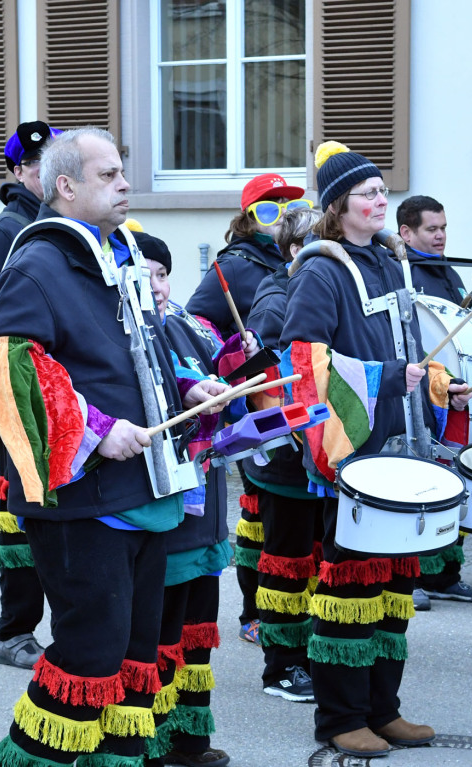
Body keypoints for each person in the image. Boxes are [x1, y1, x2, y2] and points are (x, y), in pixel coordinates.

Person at [0, 127, 228, 767]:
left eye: (123, 172)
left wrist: (187, 386)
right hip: (80, 498)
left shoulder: (117, 259)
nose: (125, 185)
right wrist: (92, 428)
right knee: (89, 653)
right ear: (66, 186)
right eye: (109, 174)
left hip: (141, 487)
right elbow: (12, 370)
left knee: (134, 655)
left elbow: (137, 359)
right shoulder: (37, 264)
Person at [278, 142, 471, 757]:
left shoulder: (392, 263)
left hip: (403, 447)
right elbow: (302, 362)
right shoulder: (321, 269)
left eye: (383, 190)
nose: (380, 199)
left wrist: (438, 382)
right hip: (355, 455)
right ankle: (340, 718)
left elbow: (411, 354)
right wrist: (386, 379)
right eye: (367, 193)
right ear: (338, 206)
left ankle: (383, 710)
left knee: (391, 587)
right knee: (348, 587)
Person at [134, 228, 249, 767]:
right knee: (161, 633)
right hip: (167, 511)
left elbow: (221, 387)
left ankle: (189, 739)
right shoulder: (128, 334)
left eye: (162, 274)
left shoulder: (188, 324)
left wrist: (245, 365)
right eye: (145, 274)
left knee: (197, 631)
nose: (157, 285)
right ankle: (151, 743)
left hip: (206, 509)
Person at [185, 174, 306, 645]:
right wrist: (229, 356)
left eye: (285, 205)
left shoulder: (289, 259)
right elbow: (193, 322)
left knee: (263, 516)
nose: (278, 213)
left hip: (284, 402)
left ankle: (262, 611)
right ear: (249, 216)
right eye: (269, 206)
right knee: (265, 516)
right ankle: (255, 616)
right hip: (247, 405)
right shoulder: (234, 267)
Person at [0, 120, 62, 669]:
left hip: (58, 402)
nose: (47, 175)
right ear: (21, 173)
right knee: (20, 521)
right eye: (38, 166)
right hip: (23, 401)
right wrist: (11, 398)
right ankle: (14, 632)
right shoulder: (8, 230)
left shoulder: (56, 225)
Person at [243, 203, 324, 704]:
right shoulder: (277, 301)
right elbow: (271, 386)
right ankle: (282, 667)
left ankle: (306, 651)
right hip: (287, 460)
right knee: (286, 563)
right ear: (295, 250)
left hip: (319, 458)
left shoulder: (315, 288)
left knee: (312, 559)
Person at [395, 195, 472, 610]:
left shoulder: (445, 270)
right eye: (432, 229)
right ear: (406, 233)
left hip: (449, 393)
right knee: (415, 486)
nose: (441, 236)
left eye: (444, 227)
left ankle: (444, 575)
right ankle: (407, 576)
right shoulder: (398, 272)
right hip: (414, 393)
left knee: (453, 479)